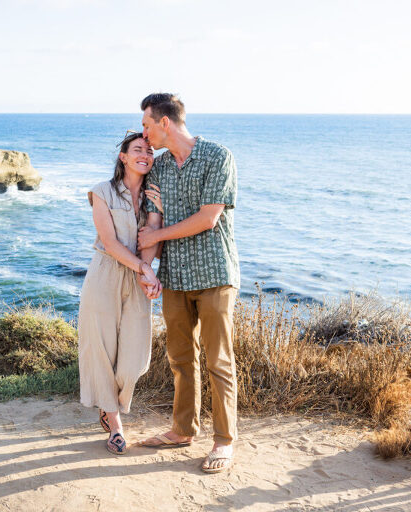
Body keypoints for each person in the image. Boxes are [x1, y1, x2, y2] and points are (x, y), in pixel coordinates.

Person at [136, 93, 240, 473]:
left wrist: (156, 239)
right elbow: (153, 224)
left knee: (219, 361)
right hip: (175, 277)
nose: (144, 136)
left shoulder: (218, 156)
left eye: (147, 126)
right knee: (180, 359)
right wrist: (147, 269)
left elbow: (208, 218)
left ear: (165, 122)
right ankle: (182, 430)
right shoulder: (160, 169)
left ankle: (224, 441)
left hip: (214, 274)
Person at [77, 132, 162, 455]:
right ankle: (114, 422)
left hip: (138, 276)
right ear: (123, 157)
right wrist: (146, 270)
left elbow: (153, 235)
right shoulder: (102, 192)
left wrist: (146, 267)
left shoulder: (155, 194)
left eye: (149, 151)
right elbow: (110, 243)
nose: (145, 154)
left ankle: (111, 404)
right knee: (100, 350)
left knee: (134, 359)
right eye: (137, 149)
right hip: (104, 274)